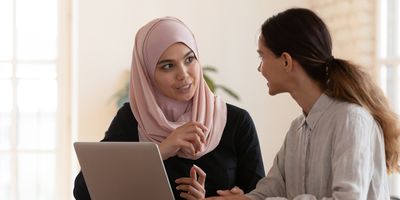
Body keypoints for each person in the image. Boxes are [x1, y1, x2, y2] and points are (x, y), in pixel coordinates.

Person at [206, 7, 400, 200]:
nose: (259, 68)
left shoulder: (351, 120)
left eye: (262, 57)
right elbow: (270, 190)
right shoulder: (296, 129)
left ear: (286, 61)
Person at [73, 16, 265, 200]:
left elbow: (261, 196)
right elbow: (84, 191)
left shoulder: (236, 121)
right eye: (167, 66)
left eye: (189, 60)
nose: (183, 75)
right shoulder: (133, 118)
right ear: (147, 74)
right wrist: (160, 151)